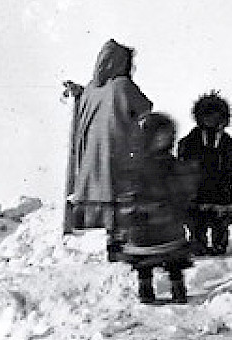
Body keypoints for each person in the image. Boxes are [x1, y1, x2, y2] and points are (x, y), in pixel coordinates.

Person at [63, 39, 153, 261]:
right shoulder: (122, 85)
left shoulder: (91, 89)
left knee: (109, 200)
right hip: (119, 153)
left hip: (94, 159)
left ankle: (115, 244)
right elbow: (145, 107)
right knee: (123, 199)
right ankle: (121, 245)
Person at [116, 112, 201, 304]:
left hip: (168, 223)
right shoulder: (136, 166)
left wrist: (185, 190)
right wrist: (131, 212)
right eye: (158, 137)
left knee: (174, 259)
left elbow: (182, 187)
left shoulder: (172, 164)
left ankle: (178, 287)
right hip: (144, 224)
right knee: (143, 263)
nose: (162, 141)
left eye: (166, 137)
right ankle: (145, 288)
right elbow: (128, 191)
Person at [177, 92, 232, 256]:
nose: (212, 120)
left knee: (220, 222)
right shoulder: (192, 139)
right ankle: (198, 243)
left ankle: (219, 243)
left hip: (221, 188)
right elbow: (183, 160)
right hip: (197, 189)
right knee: (197, 221)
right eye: (208, 115)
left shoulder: (226, 140)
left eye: (216, 116)